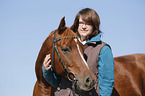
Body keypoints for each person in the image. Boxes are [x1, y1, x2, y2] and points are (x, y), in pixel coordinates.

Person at [42, 8, 114, 96]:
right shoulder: (68, 45)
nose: (84, 27)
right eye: (81, 23)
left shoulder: (103, 49)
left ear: (95, 26)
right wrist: (47, 71)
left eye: (88, 24)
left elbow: (106, 81)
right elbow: (57, 83)